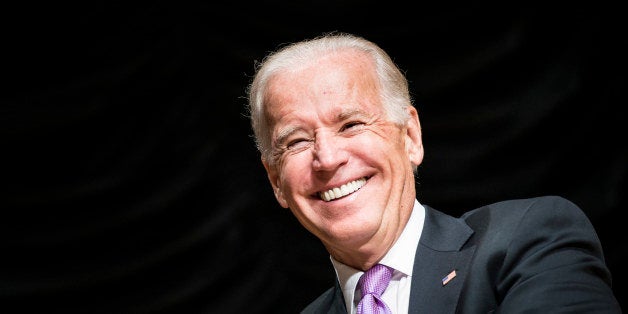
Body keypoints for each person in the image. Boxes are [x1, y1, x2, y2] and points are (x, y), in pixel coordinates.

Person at [245, 32, 621, 313]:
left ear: (410, 136)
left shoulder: (527, 241)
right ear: (276, 181)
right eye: (296, 142)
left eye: (351, 124)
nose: (326, 159)